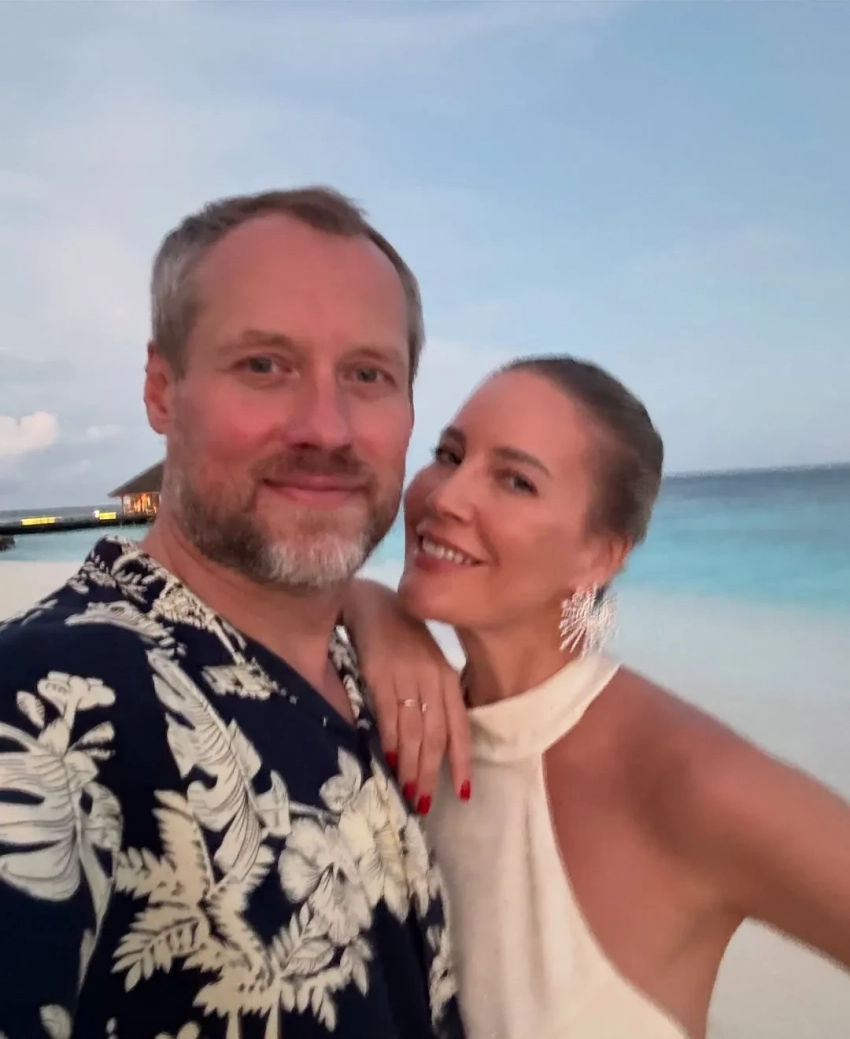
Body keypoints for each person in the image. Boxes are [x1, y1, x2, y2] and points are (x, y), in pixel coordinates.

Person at [0, 188, 467, 1039]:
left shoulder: (364, 678)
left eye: (368, 374)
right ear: (162, 390)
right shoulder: (51, 703)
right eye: (264, 365)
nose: (326, 429)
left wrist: (378, 612)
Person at [343, 355, 850, 1039]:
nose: (446, 497)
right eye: (449, 455)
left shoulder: (683, 777)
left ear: (600, 556)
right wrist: (365, 604)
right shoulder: (405, 709)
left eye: (516, 481)